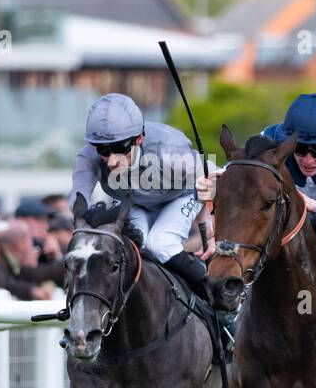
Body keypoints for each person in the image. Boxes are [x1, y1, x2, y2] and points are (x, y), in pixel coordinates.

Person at [72, 93, 213, 291]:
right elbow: (79, 202)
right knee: (132, 247)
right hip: (137, 203)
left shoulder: (169, 151)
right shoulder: (88, 157)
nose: (111, 161)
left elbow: (211, 174)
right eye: (103, 150)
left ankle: (215, 289)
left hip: (182, 195)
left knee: (160, 243)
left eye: (119, 148)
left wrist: (207, 218)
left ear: (139, 138)